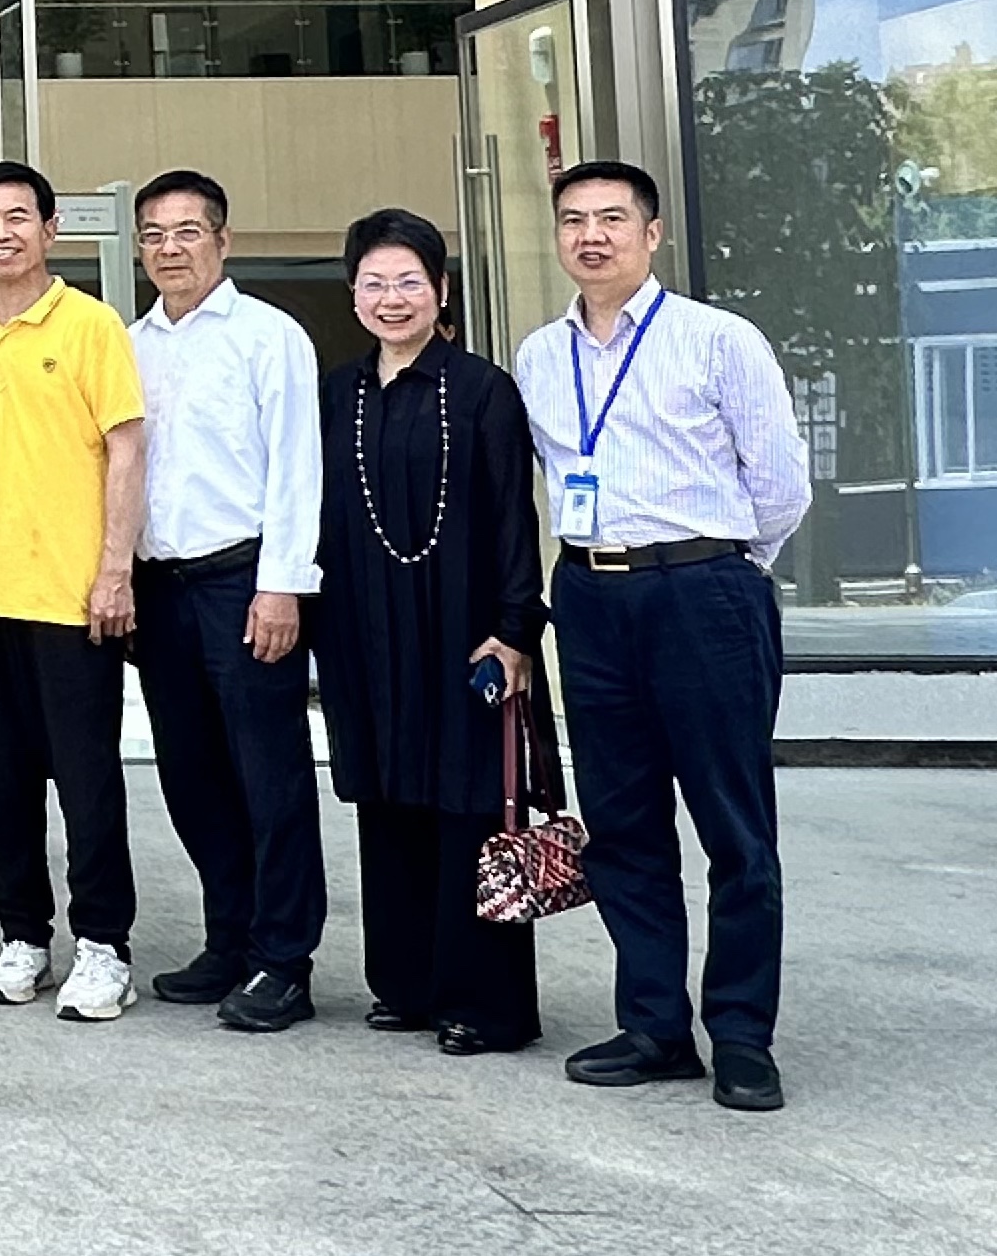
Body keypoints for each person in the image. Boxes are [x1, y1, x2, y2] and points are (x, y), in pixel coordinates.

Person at [514, 160, 812, 1114]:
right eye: (573, 220)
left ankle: (742, 1035)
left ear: (652, 234)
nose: (591, 236)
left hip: (703, 592)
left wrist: (723, 567)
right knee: (623, 824)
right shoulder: (538, 356)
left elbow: (781, 483)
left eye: (612, 218)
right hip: (589, 596)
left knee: (733, 824)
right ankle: (653, 1025)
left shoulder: (717, 340)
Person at [321, 208, 549, 1058]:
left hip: (465, 634)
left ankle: (484, 1004)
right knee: (387, 799)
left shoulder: (482, 390)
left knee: (468, 805)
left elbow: (513, 518)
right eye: (374, 283)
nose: (392, 299)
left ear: (441, 290)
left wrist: (515, 629)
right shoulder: (337, 394)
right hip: (364, 631)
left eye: (409, 282)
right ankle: (406, 986)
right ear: (353, 295)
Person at [0, 161, 149, 1024]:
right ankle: (22, 934)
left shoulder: (92, 324)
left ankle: (104, 945)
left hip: (70, 596)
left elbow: (126, 448)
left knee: (87, 781)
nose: (1, 233)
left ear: (51, 229)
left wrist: (114, 570)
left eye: (17, 217)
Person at [123, 170, 329, 1033]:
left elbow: (297, 467)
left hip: (244, 583)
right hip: (160, 588)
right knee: (192, 774)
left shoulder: (268, 336)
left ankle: (284, 960)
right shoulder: (128, 343)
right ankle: (230, 938)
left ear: (223, 240)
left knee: (269, 776)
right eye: (153, 235)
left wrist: (283, 584)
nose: (169, 249)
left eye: (187, 232)